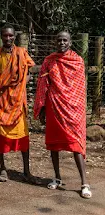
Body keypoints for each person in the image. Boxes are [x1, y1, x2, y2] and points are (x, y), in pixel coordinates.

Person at [33, 31, 92, 199]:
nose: (62, 42)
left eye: (65, 40)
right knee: (54, 144)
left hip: (74, 109)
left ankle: (84, 183)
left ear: (70, 42)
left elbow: (80, 89)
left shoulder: (77, 61)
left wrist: (79, 109)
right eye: (59, 40)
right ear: (55, 42)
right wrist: (42, 108)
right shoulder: (49, 61)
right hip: (54, 107)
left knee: (76, 145)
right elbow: (43, 84)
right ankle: (57, 177)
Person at [0, 25, 37, 183]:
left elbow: (29, 72)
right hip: (1, 102)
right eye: (5, 36)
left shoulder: (22, 53)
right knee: (1, 137)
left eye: (11, 36)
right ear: (1, 36)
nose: (8, 38)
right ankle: (2, 169)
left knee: (23, 137)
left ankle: (27, 170)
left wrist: (22, 84)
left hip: (18, 102)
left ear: (14, 37)